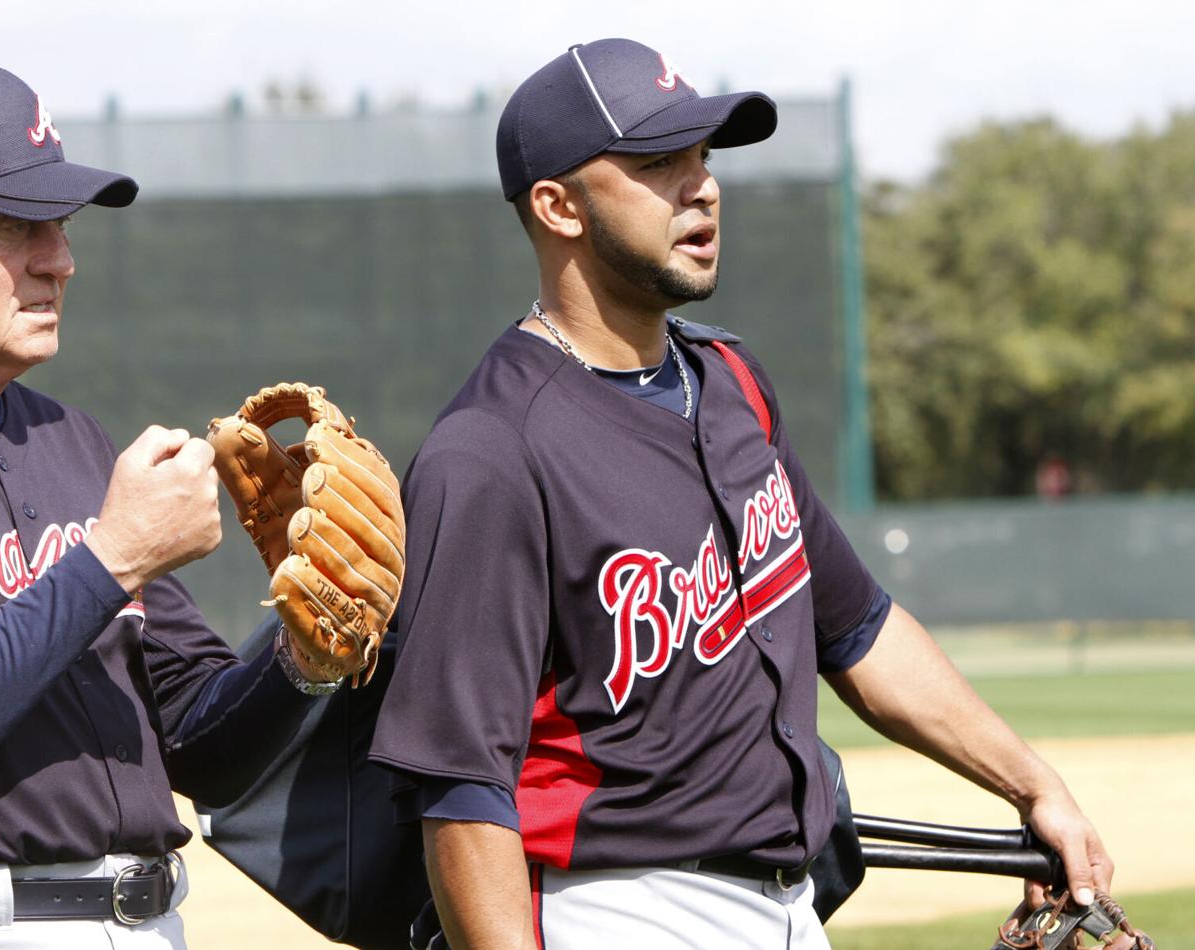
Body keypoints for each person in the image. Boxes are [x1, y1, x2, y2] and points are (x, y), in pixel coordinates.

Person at [369, 39, 1123, 949]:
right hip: (616, 908)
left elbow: (858, 630)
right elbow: (462, 792)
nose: (703, 187)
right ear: (558, 206)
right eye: (658, 163)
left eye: (704, 157)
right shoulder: (490, 451)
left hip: (790, 903)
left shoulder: (729, 382)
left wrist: (1032, 784)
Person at [0, 59, 394, 949]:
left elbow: (202, 749)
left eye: (61, 224)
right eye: (14, 225)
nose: (60, 258)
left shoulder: (71, 439)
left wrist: (302, 658)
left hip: (145, 920)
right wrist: (113, 557)